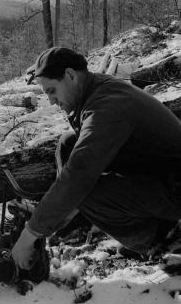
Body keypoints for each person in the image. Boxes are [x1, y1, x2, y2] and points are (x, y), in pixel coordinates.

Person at [12, 47, 181, 269]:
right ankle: (64, 220)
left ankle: (165, 242)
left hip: (175, 187)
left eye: (52, 91)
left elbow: (78, 176)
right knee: (68, 143)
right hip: (161, 176)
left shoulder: (107, 106)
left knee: (84, 190)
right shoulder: (96, 90)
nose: (52, 101)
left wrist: (28, 235)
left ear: (71, 75)